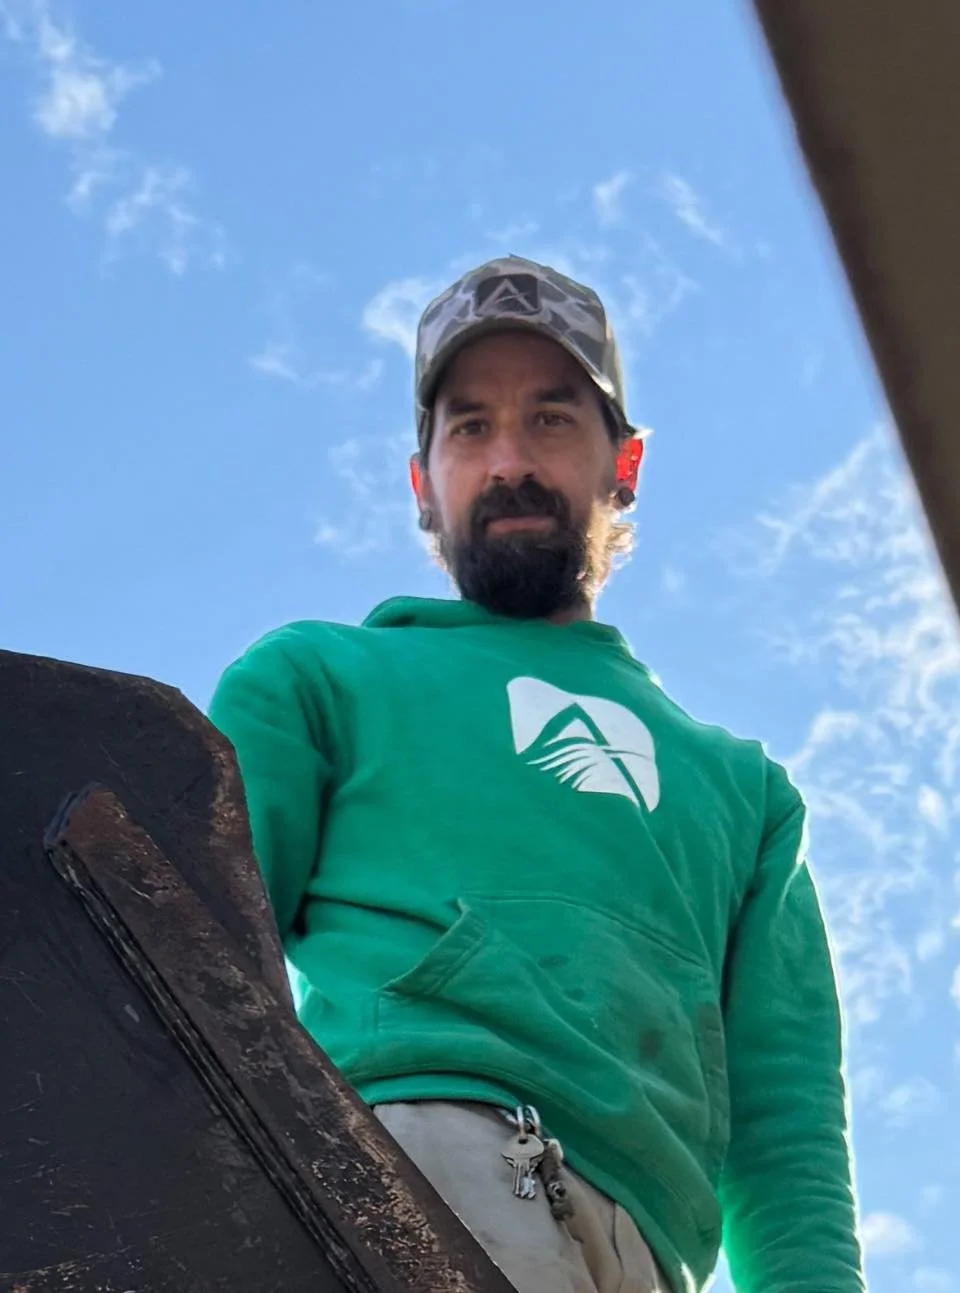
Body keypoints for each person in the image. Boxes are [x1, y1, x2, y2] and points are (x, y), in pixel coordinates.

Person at [208, 256, 865, 1293]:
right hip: (406, 1172)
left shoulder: (746, 793)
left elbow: (787, 1135)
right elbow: (187, 960)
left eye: (552, 419)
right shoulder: (319, 679)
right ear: (424, 482)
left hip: (650, 1254)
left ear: (626, 463)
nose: (509, 459)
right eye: (470, 427)